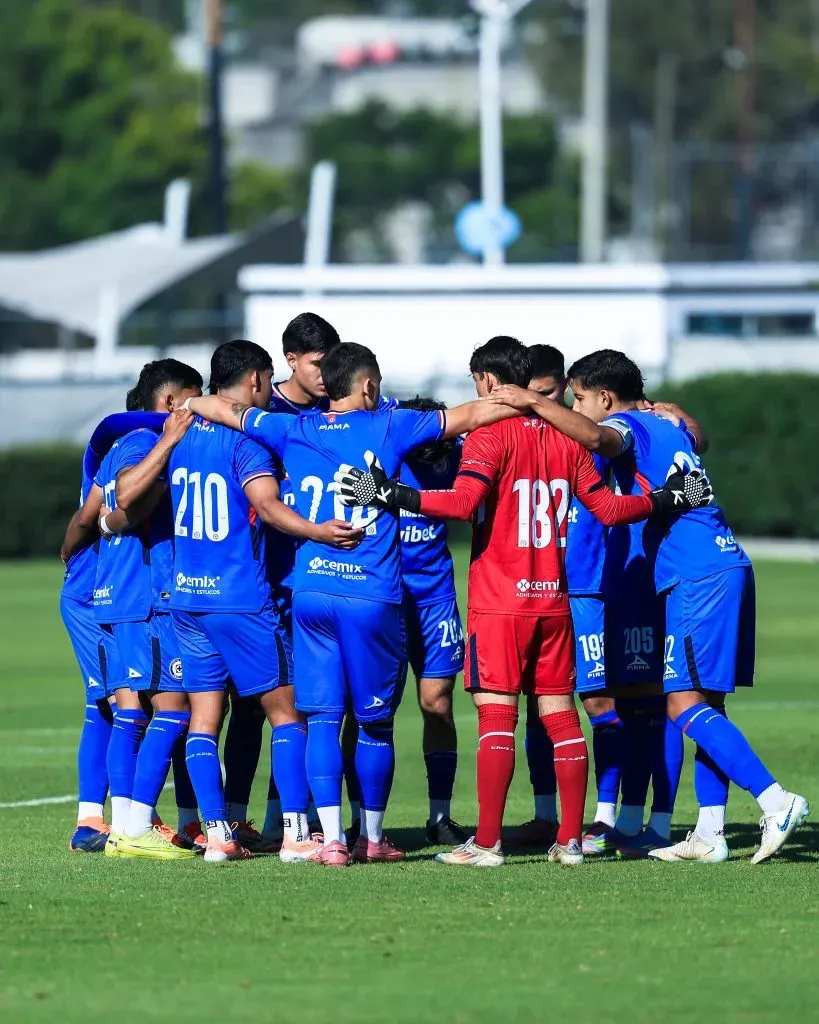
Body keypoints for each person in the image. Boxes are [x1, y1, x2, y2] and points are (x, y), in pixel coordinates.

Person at [332, 336, 712, 868]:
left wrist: (394, 495)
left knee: (496, 719)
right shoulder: (567, 441)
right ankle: (571, 841)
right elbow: (609, 510)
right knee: (561, 718)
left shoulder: (490, 437)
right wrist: (666, 499)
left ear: (488, 382)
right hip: (553, 601)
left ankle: (486, 845)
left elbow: (464, 503)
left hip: (500, 601)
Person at [183, 341, 519, 867]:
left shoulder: (293, 427)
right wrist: (538, 403)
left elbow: (228, 409)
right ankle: (373, 837)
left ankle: (332, 841)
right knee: (375, 723)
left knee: (321, 719)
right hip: (369, 595)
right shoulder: (390, 425)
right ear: (367, 386)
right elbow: (475, 413)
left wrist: (190, 404)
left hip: (311, 593)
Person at [490, 349, 809, 864]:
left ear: (605, 397)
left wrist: (531, 401)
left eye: (578, 398)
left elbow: (598, 436)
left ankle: (775, 800)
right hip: (722, 564)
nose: (575, 407)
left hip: (696, 574)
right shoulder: (668, 425)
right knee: (707, 706)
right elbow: (696, 435)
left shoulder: (629, 425)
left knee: (679, 704)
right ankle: (708, 834)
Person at [168, 339, 360, 863]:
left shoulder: (178, 436)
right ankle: (298, 833)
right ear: (255, 380)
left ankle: (218, 835)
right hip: (240, 599)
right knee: (288, 713)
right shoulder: (244, 443)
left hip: (188, 599)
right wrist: (318, 531)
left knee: (204, 720)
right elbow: (269, 507)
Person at [90, 360, 205, 860]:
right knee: (173, 707)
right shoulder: (142, 442)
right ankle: (133, 826)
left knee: (134, 710)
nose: (199, 410)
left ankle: (127, 827)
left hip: (124, 596)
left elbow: (104, 513)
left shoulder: (124, 442)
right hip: (144, 598)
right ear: (168, 403)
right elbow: (125, 498)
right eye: (192, 399)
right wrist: (170, 441)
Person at [60, 401, 167, 852]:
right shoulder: (131, 446)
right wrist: (69, 560)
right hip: (93, 597)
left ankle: (118, 815)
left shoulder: (121, 447)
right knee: (112, 703)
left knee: (117, 703)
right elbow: (90, 517)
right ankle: (103, 820)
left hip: (103, 594)